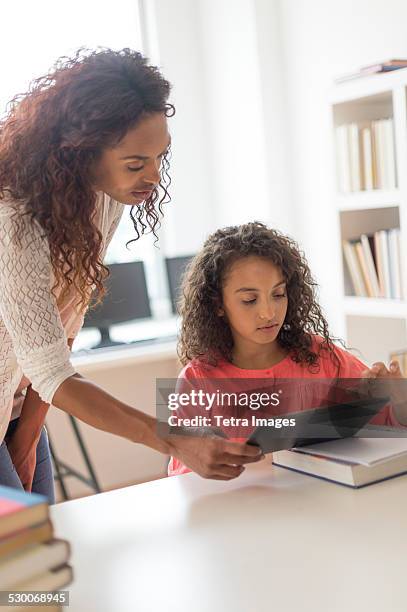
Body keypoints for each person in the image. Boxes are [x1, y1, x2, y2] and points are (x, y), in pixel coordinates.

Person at [0, 48, 262, 503]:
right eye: (136, 163)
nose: (153, 176)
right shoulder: (13, 218)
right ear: (79, 153)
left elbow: (62, 330)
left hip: (19, 394)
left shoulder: (103, 196)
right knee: (18, 562)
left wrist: (26, 435)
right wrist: (173, 439)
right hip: (23, 380)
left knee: (32, 550)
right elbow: (49, 368)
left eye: (159, 157)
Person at [168, 222, 406, 476]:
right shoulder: (197, 381)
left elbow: (387, 431)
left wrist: (398, 400)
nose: (268, 313)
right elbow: (182, 477)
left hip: (323, 501)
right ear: (218, 304)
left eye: (278, 294)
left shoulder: (320, 355)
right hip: (243, 509)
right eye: (250, 300)